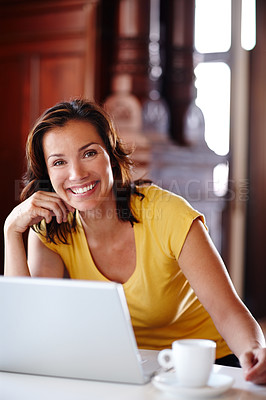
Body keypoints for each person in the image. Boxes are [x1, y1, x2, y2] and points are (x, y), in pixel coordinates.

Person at [4, 99, 266, 385]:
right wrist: (11, 231)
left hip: (207, 367)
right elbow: (32, 329)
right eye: (59, 162)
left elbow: (228, 312)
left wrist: (255, 352)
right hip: (124, 368)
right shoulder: (52, 230)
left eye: (89, 153)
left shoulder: (168, 214)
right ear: (47, 175)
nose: (77, 174)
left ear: (111, 156)